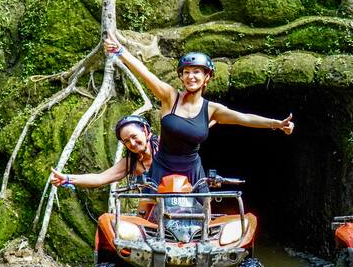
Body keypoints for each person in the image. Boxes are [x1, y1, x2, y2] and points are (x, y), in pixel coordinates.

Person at [103, 32, 294, 194]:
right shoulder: (170, 97)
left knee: (203, 214)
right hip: (162, 167)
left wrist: (276, 124)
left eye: (196, 72)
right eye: (186, 72)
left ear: (207, 77)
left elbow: (244, 118)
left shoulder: (212, 109)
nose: (191, 76)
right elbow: (145, 74)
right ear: (181, 76)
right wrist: (120, 51)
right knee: (148, 213)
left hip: (193, 171)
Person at [50, 115, 157, 189]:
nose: (132, 143)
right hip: (150, 208)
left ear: (145, 130)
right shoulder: (130, 163)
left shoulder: (163, 147)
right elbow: (100, 178)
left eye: (134, 136)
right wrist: (67, 178)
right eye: (127, 141)